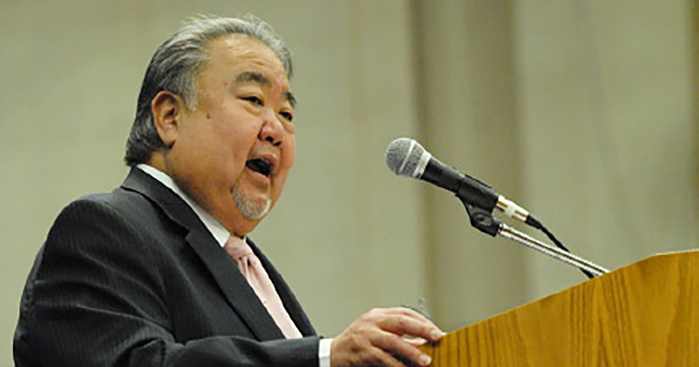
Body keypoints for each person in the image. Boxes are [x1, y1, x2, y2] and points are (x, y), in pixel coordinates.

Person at [13, 15, 444, 367]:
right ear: (169, 117)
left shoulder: (243, 261)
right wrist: (327, 356)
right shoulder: (103, 229)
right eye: (254, 100)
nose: (275, 129)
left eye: (287, 112)